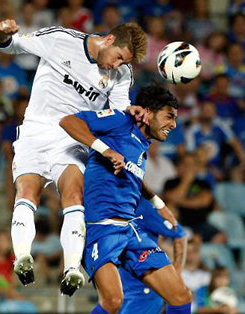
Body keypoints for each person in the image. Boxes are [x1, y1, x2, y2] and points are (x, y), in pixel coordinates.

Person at [0, 19, 170, 295]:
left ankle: (72, 268)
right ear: (109, 40)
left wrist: (132, 112)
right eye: (118, 57)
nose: (116, 65)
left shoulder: (122, 74)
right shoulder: (60, 39)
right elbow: (11, 46)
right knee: (27, 191)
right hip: (36, 131)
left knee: (73, 195)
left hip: (73, 137)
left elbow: (121, 110)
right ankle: (22, 257)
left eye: (124, 62)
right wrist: (3, 34)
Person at [59, 84, 191, 313]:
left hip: (130, 230)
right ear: (148, 112)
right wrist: (105, 150)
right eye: (169, 116)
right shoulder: (120, 122)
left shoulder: (142, 143)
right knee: (113, 302)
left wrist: (158, 204)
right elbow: (68, 122)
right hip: (100, 229)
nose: (174, 124)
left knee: (181, 296)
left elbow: (133, 177)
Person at [119, 198, 188, 314]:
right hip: (120, 290)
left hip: (141, 293)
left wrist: (177, 274)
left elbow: (179, 235)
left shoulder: (143, 206)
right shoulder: (104, 204)